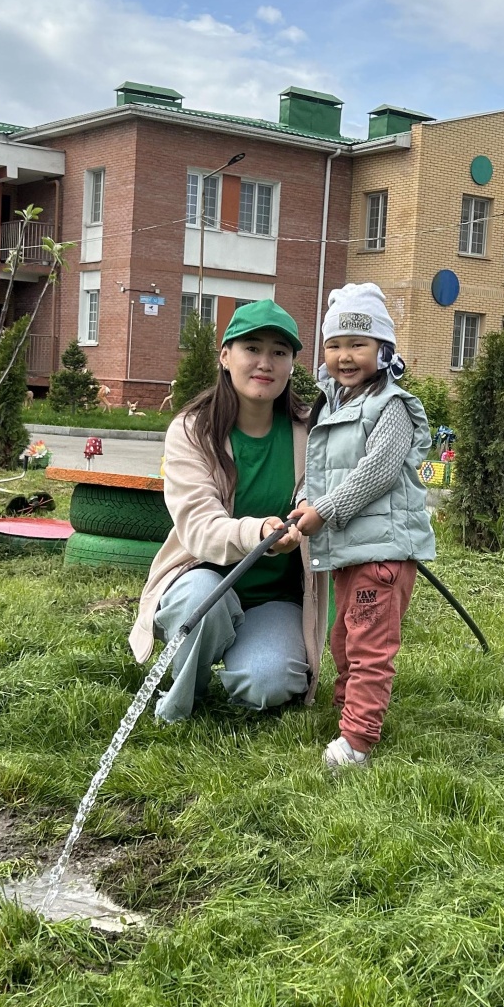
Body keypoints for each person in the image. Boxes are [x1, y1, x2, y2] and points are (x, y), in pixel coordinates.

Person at [130, 301, 327, 724]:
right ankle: (182, 698)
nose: (264, 362)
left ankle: (243, 652)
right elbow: (199, 528)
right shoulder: (192, 430)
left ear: (293, 363)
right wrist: (259, 533)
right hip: (203, 580)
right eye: (251, 348)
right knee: (203, 601)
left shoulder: (311, 431)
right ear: (225, 356)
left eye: (279, 352)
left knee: (269, 682)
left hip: (276, 597)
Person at [288, 282, 436, 771]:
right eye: (334, 345)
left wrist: (325, 511)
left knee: (369, 643)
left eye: (358, 344)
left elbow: (378, 470)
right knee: (343, 641)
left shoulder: (389, 405)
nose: (345, 356)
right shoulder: (333, 404)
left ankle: (357, 741)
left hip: (382, 554)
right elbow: (321, 469)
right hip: (352, 548)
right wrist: (305, 499)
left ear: (383, 349)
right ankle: (349, 711)